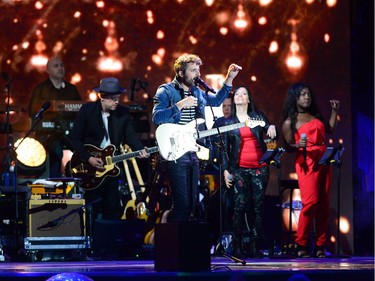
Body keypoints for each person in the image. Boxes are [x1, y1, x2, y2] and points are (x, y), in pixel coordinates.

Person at [152, 53, 242, 223]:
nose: (198, 74)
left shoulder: (197, 92)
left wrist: (229, 78)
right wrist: (180, 105)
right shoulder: (165, 91)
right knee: (182, 205)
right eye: (193, 70)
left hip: (193, 150)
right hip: (174, 153)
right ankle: (169, 241)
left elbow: (215, 101)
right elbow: (157, 117)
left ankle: (182, 244)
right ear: (180, 73)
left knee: (193, 204)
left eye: (198, 69)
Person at [70, 77, 149, 220]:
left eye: (118, 98)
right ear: (102, 97)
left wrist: (141, 150)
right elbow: (75, 139)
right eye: (113, 99)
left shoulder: (123, 113)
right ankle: (92, 241)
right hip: (90, 168)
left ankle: (110, 241)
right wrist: (89, 158)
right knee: (91, 210)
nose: (116, 102)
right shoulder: (87, 111)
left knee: (112, 209)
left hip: (112, 167)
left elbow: (130, 137)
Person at [281, 82, 340, 258]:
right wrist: (297, 144)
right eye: (302, 94)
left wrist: (334, 111)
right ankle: (301, 243)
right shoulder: (289, 121)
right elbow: (288, 146)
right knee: (310, 202)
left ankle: (321, 245)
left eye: (308, 94)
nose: (307, 97)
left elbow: (329, 129)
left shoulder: (315, 115)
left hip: (324, 159)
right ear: (295, 97)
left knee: (323, 204)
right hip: (306, 160)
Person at [222, 86, 277, 258]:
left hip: (259, 168)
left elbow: (270, 135)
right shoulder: (228, 122)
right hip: (239, 169)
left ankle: (254, 245)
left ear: (248, 99)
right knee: (239, 207)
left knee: (258, 208)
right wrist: (225, 170)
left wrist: (272, 127)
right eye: (237, 93)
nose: (240, 96)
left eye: (244, 93)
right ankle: (237, 246)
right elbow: (224, 149)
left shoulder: (258, 117)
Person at [29, 56, 81, 178]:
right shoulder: (40, 89)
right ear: (47, 70)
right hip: (47, 133)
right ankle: (53, 182)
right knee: (56, 149)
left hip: (69, 132)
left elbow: (80, 112)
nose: (60, 68)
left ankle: (79, 179)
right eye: (56, 66)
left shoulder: (72, 89)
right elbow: (33, 113)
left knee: (83, 149)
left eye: (62, 65)